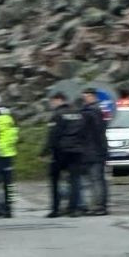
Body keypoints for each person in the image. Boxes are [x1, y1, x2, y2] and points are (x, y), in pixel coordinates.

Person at [43, 91, 87, 218]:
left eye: (52, 101)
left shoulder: (57, 115)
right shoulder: (79, 114)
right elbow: (84, 133)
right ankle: (74, 208)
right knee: (75, 180)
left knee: (55, 179)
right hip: (77, 150)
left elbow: (53, 135)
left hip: (61, 151)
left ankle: (56, 208)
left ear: (58, 100)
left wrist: (46, 151)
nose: (51, 104)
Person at [79, 87, 109, 216]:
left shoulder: (92, 112)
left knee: (96, 179)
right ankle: (98, 205)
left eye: (85, 96)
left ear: (92, 96)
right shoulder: (97, 111)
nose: (84, 99)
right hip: (94, 150)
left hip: (92, 151)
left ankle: (99, 206)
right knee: (96, 179)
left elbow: (97, 134)